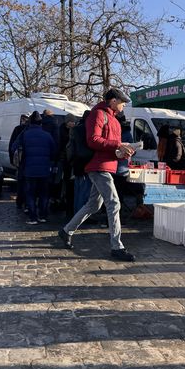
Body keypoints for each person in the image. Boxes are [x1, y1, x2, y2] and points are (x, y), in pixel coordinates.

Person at [58, 88, 136, 261]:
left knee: (93, 205)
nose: (124, 105)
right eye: (122, 102)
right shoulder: (99, 114)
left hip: (107, 165)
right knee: (114, 203)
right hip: (98, 166)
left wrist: (123, 150)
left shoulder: (113, 119)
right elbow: (93, 140)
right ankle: (117, 247)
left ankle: (66, 231)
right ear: (113, 101)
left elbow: (108, 145)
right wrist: (118, 144)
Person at [11, 111, 57, 224]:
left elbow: (13, 148)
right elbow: (54, 151)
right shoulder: (47, 135)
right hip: (45, 170)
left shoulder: (25, 134)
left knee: (30, 194)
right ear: (41, 123)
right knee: (44, 194)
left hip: (29, 170)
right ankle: (43, 216)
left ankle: (32, 217)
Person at [114, 111, 148, 218]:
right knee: (119, 194)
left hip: (115, 167)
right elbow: (133, 151)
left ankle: (114, 215)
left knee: (115, 194)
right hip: (123, 168)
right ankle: (118, 216)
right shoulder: (127, 133)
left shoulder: (116, 132)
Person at [9, 114, 30, 211]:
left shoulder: (18, 130)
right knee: (26, 183)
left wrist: (12, 159)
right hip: (27, 161)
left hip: (21, 161)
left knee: (21, 183)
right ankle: (25, 203)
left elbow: (12, 145)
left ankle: (20, 201)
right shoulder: (27, 130)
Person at [59, 113, 77, 219]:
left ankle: (67, 204)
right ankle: (64, 203)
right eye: (72, 121)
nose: (73, 123)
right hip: (65, 162)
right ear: (67, 122)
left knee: (69, 185)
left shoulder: (72, 131)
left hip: (69, 162)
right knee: (65, 183)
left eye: (74, 122)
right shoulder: (62, 131)